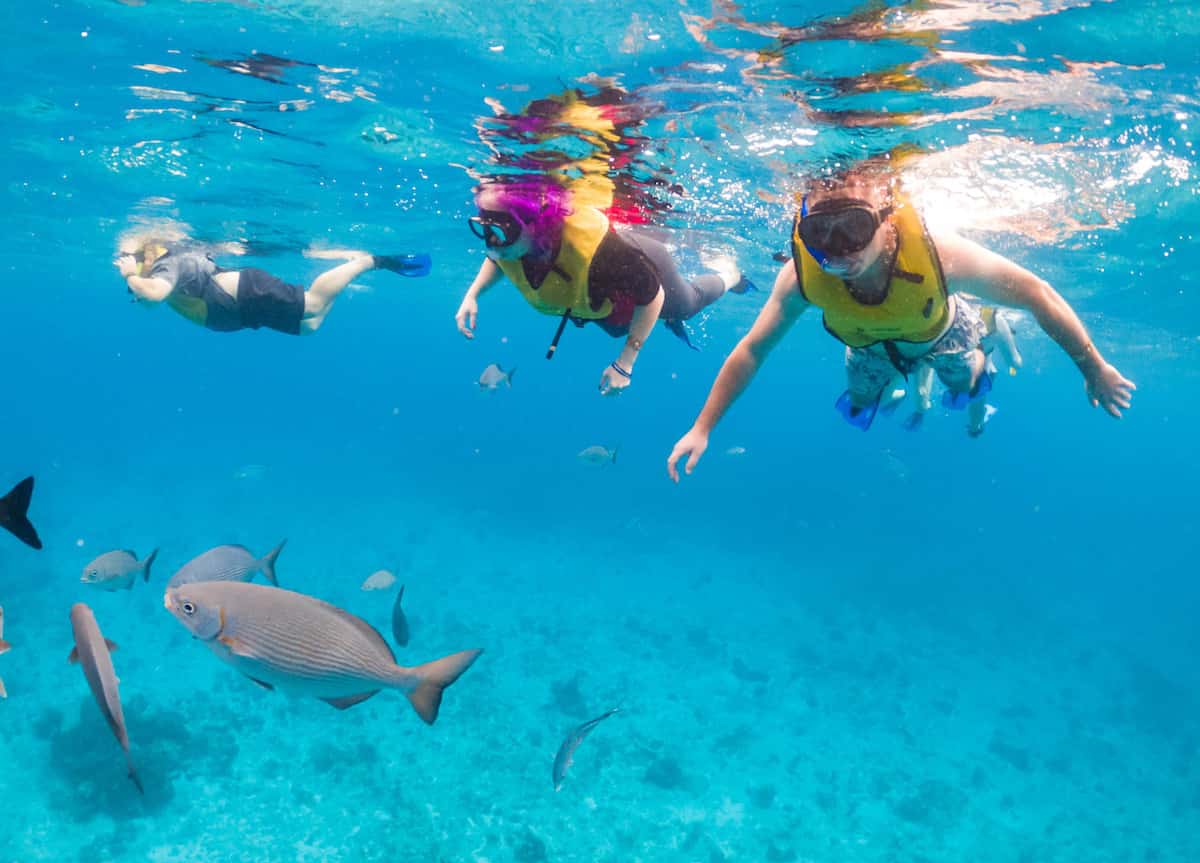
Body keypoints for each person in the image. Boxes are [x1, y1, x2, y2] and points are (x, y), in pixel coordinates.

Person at [667, 159, 1136, 480]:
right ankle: (907, 384)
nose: (838, 250)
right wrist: (703, 426)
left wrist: (1093, 367)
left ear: (887, 218)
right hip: (868, 345)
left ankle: (979, 357)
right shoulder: (800, 278)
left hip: (943, 331)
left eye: (854, 228)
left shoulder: (942, 256)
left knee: (964, 382)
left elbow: (1037, 292)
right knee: (859, 400)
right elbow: (752, 349)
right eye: (820, 233)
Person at [454, 177, 748, 396]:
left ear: (536, 224)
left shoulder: (599, 252)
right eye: (483, 228)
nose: (490, 240)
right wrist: (473, 294)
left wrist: (625, 363)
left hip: (639, 261)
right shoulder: (509, 244)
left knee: (684, 305)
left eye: (501, 231)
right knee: (617, 327)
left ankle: (728, 273)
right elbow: (498, 257)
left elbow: (652, 293)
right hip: (601, 297)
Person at [116, 239, 430, 335]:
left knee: (313, 305)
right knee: (311, 327)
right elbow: (148, 300)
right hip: (239, 310)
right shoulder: (153, 275)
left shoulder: (167, 265)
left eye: (129, 258)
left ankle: (369, 261)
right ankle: (346, 275)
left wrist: (131, 276)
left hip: (243, 292)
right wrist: (134, 282)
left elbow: (154, 296)